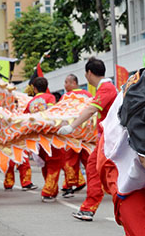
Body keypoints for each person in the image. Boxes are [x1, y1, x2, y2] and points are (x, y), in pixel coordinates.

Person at [58, 57, 117, 221]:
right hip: (105, 139)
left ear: (89, 73)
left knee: (97, 170)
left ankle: (93, 208)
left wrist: (72, 126)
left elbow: (91, 109)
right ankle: (89, 208)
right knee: (95, 168)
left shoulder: (106, 88)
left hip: (109, 139)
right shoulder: (105, 88)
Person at [22, 77, 63, 202]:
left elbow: (24, 117)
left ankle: (52, 189)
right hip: (50, 136)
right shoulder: (50, 98)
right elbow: (52, 113)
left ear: (34, 88)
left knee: (45, 164)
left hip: (37, 139)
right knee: (54, 163)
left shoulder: (31, 102)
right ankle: (48, 191)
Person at [60, 74, 91, 198]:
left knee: (69, 161)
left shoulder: (66, 97)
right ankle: (97, 185)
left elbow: (59, 114)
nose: (65, 85)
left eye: (66, 82)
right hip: (87, 136)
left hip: (71, 135)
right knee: (89, 161)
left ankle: (69, 187)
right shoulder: (88, 95)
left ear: (74, 83)